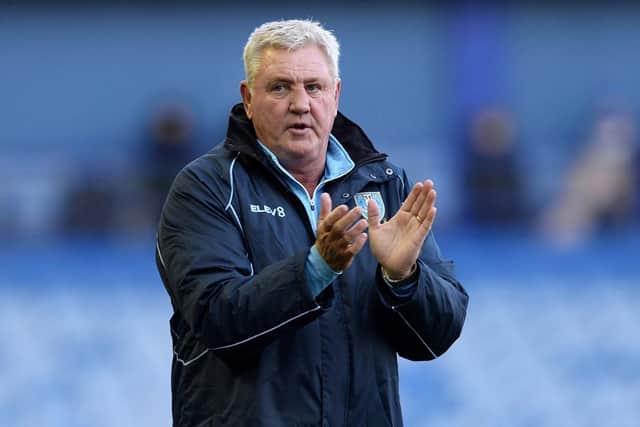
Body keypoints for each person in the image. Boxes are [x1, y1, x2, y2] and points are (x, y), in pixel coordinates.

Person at [155, 19, 468, 426]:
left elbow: (435, 337)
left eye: (314, 87)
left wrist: (403, 279)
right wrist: (317, 267)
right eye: (280, 87)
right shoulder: (206, 188)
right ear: (248, 99)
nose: (300, 103)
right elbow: (220, 323)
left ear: (335, 95)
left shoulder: (384, 184)